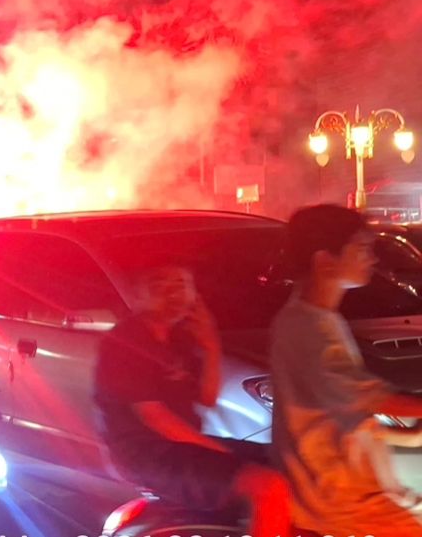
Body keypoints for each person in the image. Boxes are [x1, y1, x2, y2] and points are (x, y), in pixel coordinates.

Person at [94, 263, 289, 537]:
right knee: (268, 486)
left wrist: (211, 345)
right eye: (159, 286)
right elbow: (154, 417)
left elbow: (207, 398)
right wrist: (223, 453)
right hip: (146, 454)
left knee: (289, 461)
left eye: (181, 285)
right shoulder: (125, 342)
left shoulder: (178, 340)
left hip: (178, 448)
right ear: (137, 297)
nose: (173, 294)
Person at [272, 205, 422, 534]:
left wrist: (405, 435)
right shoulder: (306, 327)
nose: (373, 258)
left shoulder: (320, 318)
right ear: (325, 260)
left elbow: (331, 412)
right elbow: (368, 396)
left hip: (354, 484)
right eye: (362, 248)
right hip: (340, 495)